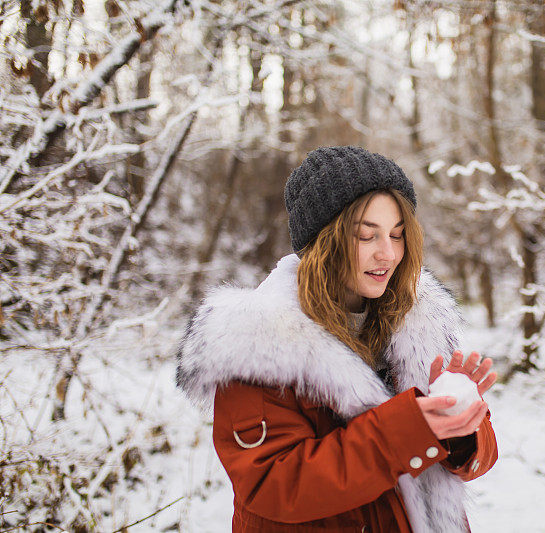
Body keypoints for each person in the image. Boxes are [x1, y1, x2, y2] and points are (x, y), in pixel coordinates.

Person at [176, 145, 499, 532]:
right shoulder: (259, 345)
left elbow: (468, 463)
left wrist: (460, 427)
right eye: (367, 237)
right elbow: (273, 485)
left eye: (397, 235)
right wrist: (406, 431)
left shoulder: (415, 321)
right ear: (324, 242)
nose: (389, 254)